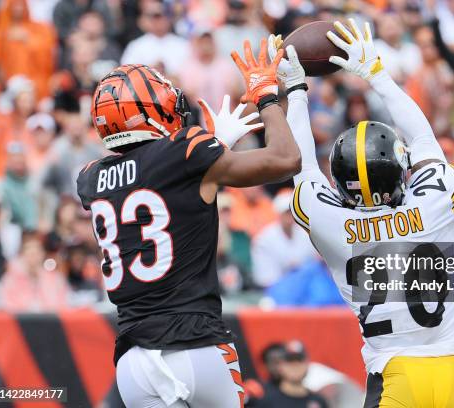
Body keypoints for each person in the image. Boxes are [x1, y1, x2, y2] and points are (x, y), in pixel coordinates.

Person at [268, 20, 454, 407]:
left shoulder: (334, 224)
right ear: (402, 171)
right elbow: (424, 140)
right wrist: (377, 74)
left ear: (338, 179)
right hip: (452, 371)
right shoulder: (434, 204)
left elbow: (301, 167)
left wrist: (296, 91)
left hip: (395, 375)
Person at [76, 37, 301, 407]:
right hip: (198, 345)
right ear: (151, 109)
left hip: (133, 360)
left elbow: (154, 180)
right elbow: (285, 159)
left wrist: (212, 152)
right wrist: (266, 97)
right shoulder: (189, 151)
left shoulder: (90, 178)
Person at [251, 190, 316, 288]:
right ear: (279, 214)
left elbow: (315, 265)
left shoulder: (306, 232)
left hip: (306, 287)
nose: (290, 216)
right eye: (286, 212)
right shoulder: (264, 239)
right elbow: (266, 280)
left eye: (292, 212)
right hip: (277, 290)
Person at [256, 340, 329, 408]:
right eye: (289, 360)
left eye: (299, 360)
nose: (295, 366)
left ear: (307, 364)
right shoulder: (266, 402)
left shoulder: (319, 401)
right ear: (280, 366)